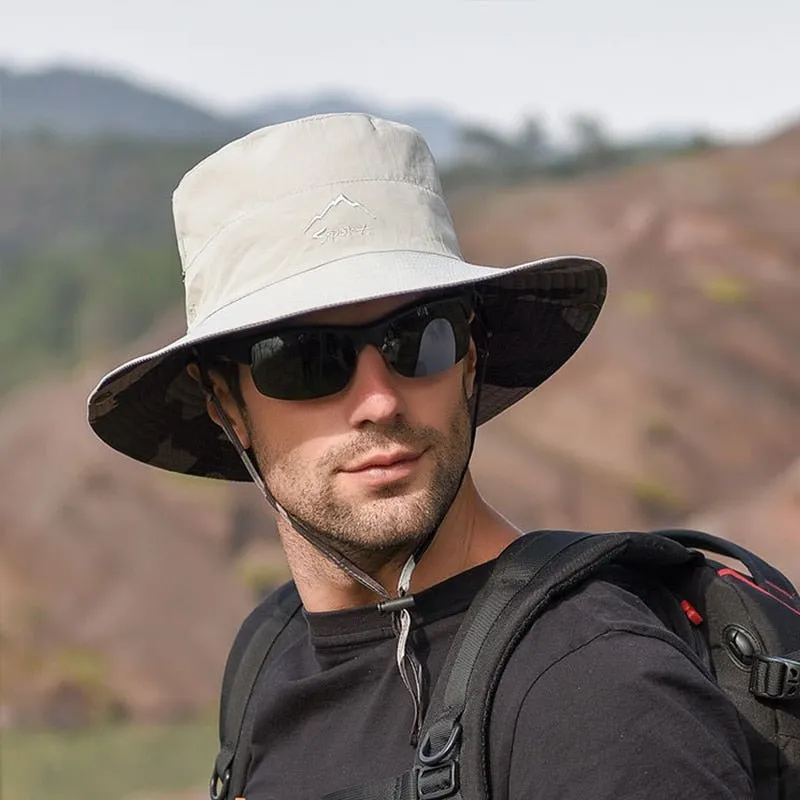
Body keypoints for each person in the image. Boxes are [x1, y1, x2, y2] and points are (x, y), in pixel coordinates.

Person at [88, 113, 754, 799]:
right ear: (226, 404)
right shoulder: (269, 655)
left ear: (470, 356)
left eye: (418, 337)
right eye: (304, 360)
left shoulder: (595, 692)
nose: (379, 399)